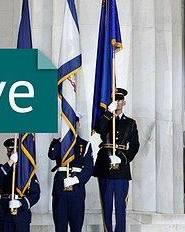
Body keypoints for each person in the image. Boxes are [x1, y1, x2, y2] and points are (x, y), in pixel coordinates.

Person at [93, 88, 140, 232]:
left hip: (121, 167)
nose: (118, 103)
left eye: (120, 100)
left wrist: (122, 158)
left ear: (124, 102)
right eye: (115, 100)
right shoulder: (105, 119)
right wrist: (108, 113)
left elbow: (134, 145)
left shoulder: (130, 123)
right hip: (104, 164)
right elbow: (98, 129)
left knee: (120, 205)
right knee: (106, 203)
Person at [48, 114, 95, 232]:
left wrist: (76, 179)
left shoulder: (85, 145)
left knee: (76, 227)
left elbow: (89, 169)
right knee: (60, 227)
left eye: (74, 123)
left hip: (77, 191)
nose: (72, 126)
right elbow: (52, 155)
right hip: (60, 190)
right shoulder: (58, 143)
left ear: (78, 125)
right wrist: (61, 141)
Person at [0, 138, 41, 232]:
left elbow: (36, 194)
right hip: (4, 213)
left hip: (21, 214)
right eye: (9, 151)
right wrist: (10, 163)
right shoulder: (1, 168)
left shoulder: (27, 172)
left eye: (13, 151)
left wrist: (21, 203)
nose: (10, 153)